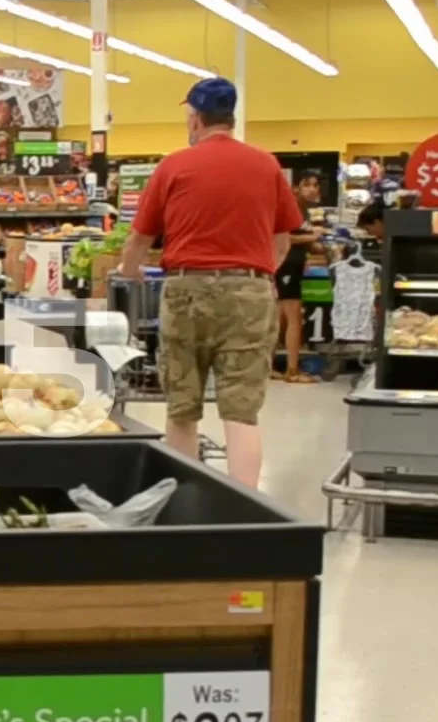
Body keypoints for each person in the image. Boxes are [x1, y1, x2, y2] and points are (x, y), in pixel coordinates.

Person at [117, 77, 302, 489]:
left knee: (182, 406)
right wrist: (256, 276)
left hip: (187, 291)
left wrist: (126, 274)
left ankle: (183, 499)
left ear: (196, 118)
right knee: (241, 411)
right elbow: (283, 239)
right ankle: (246, 508)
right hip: (250, 292)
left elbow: (140, 240)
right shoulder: (267, 164)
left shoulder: (174, 165)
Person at [274, 175, 325, 385]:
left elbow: (301, 237)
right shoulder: (289, 207)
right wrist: (311, 237)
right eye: (307, 184)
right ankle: (292, 371)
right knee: (294, 318)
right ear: (296, 187)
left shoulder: (305, 211)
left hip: (292, 263)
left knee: (279, 319)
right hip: (286, 264)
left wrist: (315, 244)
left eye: (315, 185)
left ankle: (268, 366)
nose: (312, 189)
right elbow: (281, 236)